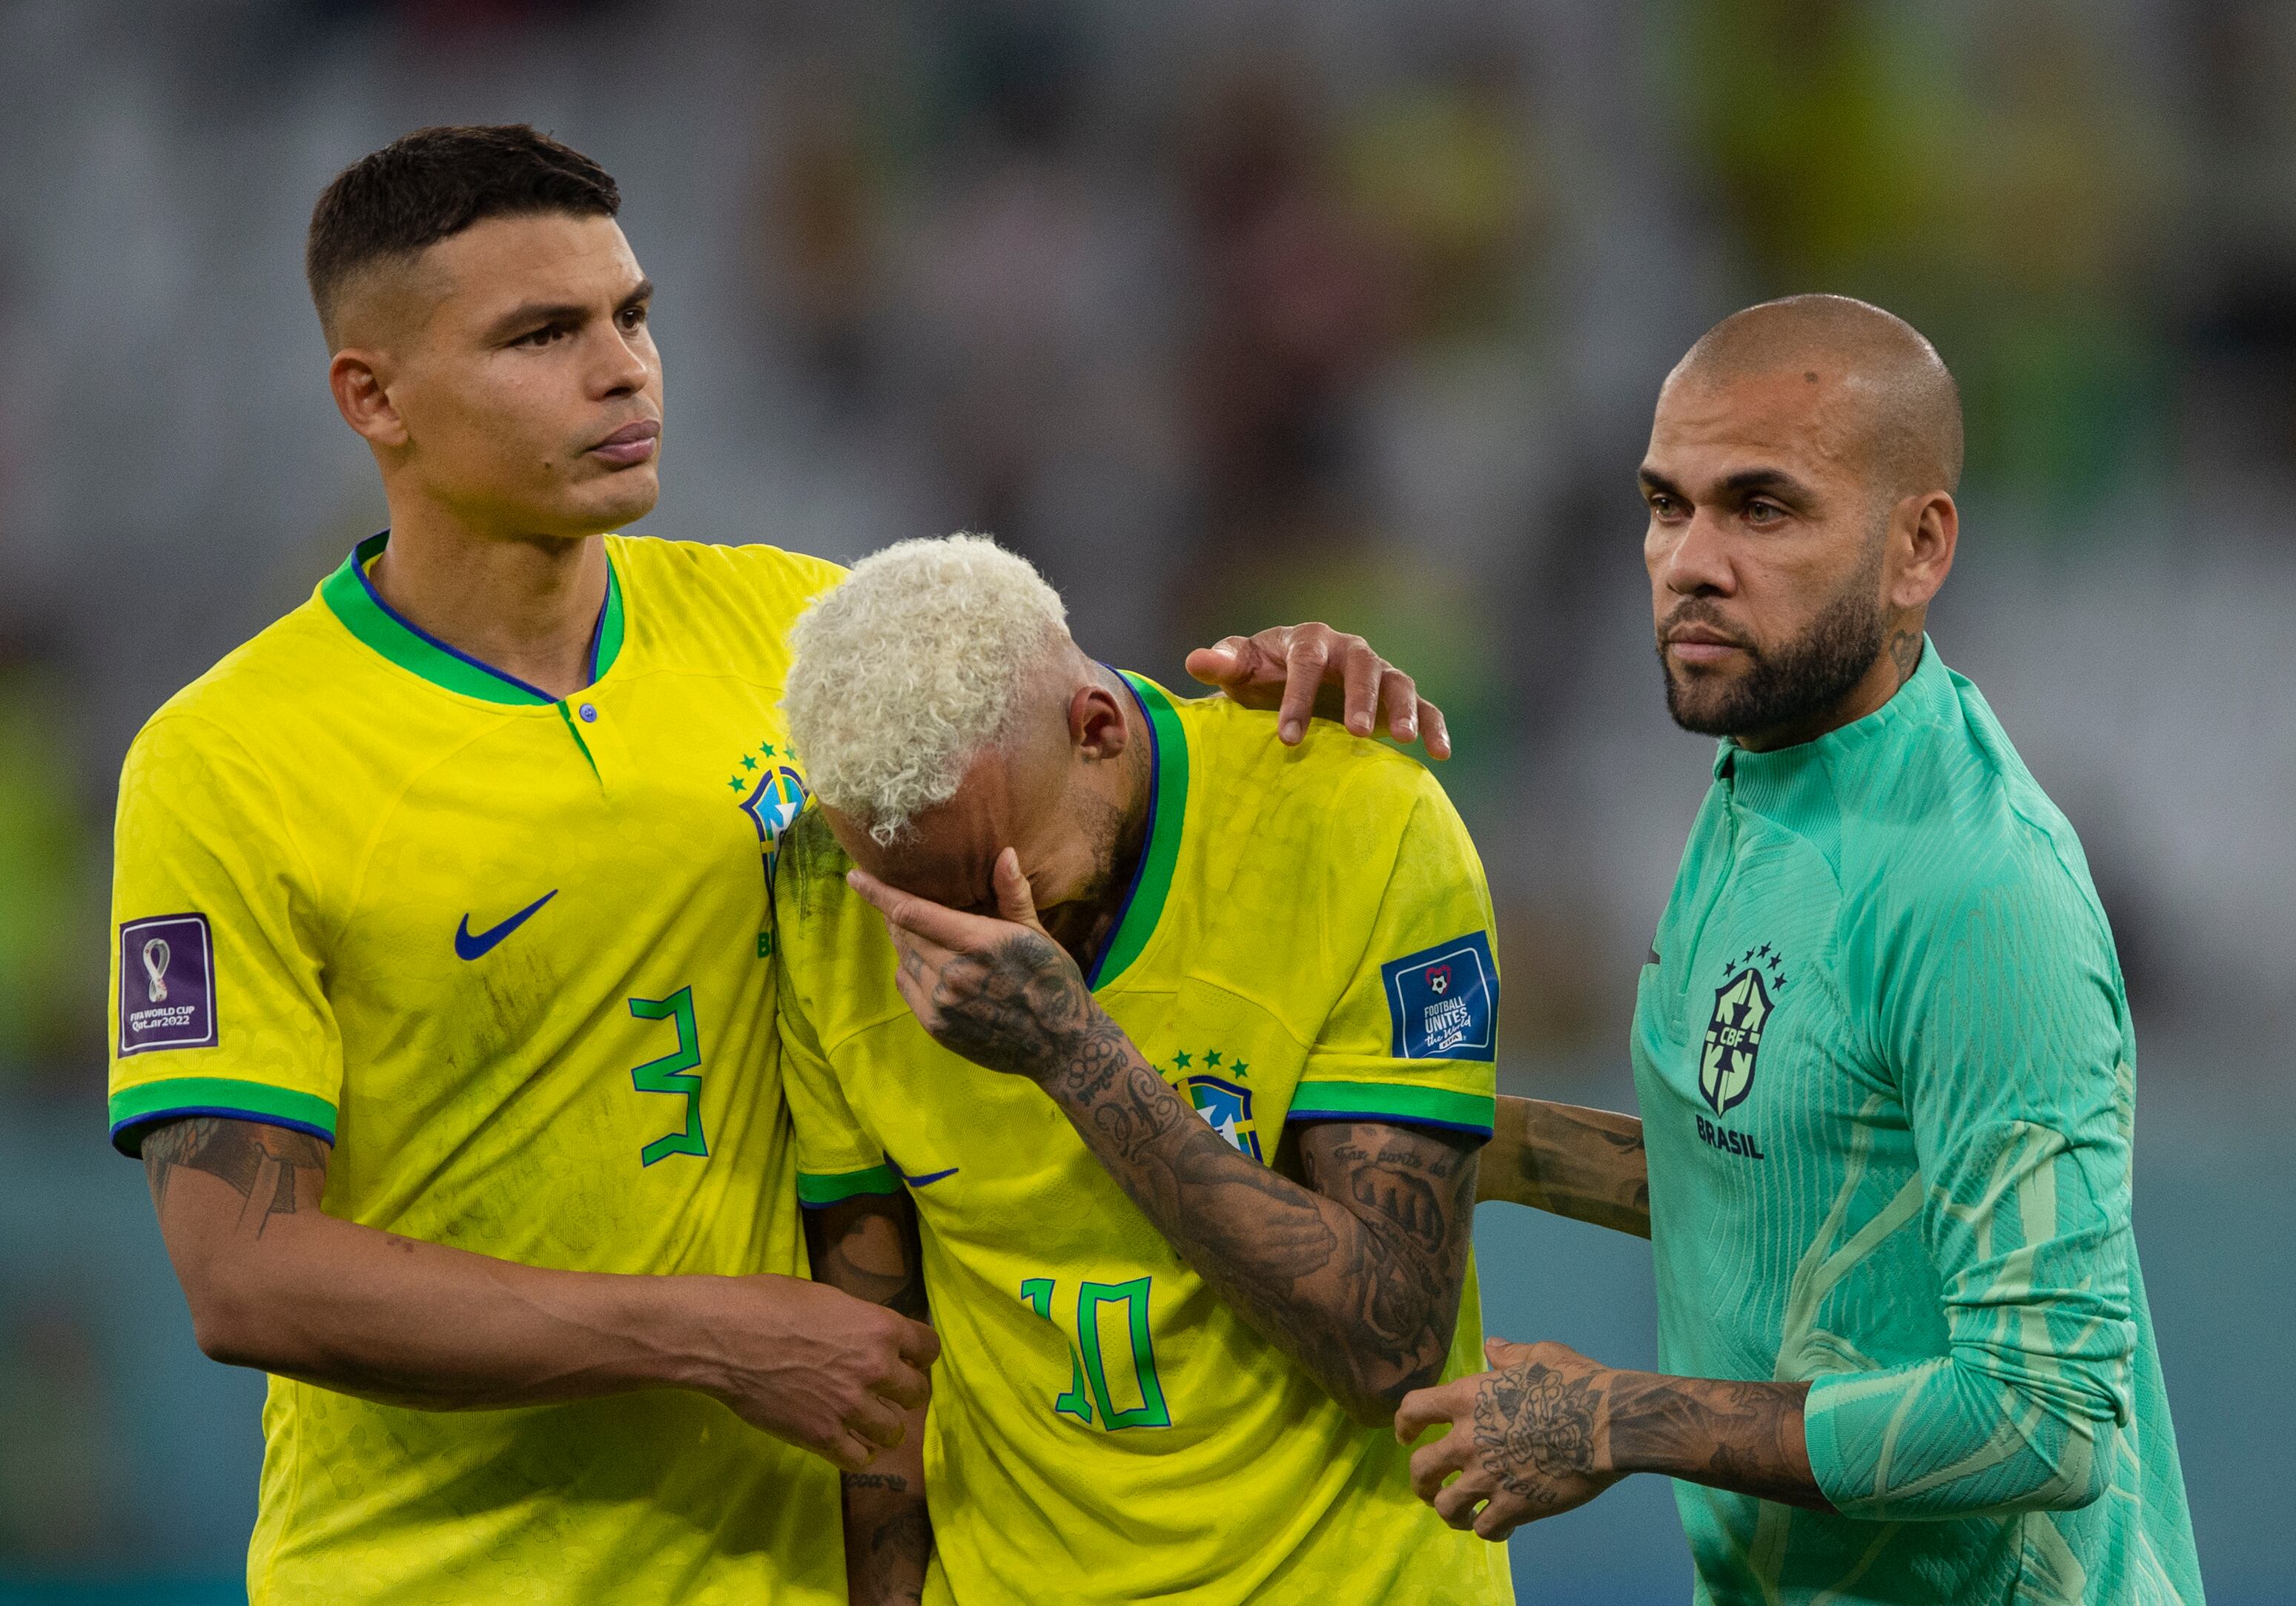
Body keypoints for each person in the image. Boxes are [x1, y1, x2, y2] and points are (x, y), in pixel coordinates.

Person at [107, 124, 1449, 1605]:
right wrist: (705, 1334)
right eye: (540, 334)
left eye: (634, 314)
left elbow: (1078, 746)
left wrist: (1288, 678)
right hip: (433, 1571)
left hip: (786, 1570)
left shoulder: (787, 637)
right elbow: (245, 1274)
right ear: (375, 395)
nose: (623, 370)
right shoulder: (229, 758)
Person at [1403, 294, 2204, 1602]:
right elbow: (1795, 1173)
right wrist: (1495, 1145)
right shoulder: (1763, 770)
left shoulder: (1975, 891)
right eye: (1669, 505)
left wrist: (1622, 1418)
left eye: (1761, 510)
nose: (1688, 562)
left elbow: (2039, 1418)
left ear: (1917, 547)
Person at [771, 534, 1514, 1606]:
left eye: (1000, 882)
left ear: (1097, 727)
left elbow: (1385, 1345)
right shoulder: (819, 892)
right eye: (923, 909)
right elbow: (880, 1372)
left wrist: (1072, 1053)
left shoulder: (1353, 817)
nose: (980, 945)